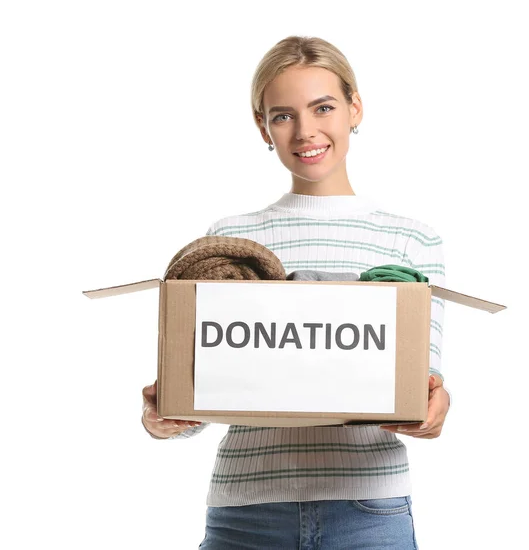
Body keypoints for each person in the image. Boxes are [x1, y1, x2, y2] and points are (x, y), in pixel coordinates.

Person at [141, 35, 450, 549]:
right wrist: (164, 418)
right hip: (246, 509)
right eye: (283, 115)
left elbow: (421, 382)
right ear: (263, 126)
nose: (306, 131)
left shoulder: (411, 240)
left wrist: (433, 409)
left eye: (323, 107)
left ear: (355, 108)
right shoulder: (230, 238)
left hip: (368, 508)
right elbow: (201, 397)